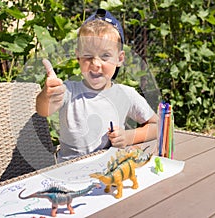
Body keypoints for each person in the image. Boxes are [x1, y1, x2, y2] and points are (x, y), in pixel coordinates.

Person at [36, 9, 158, 163]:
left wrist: (128, 137)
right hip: (70, 173)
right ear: (78, 57)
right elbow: (43, 110)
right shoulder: (68, 91)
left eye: (105, 56)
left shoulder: (126, 94)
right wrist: (47, 94)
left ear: (120, 59)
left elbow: (157, 125)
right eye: (88, 56)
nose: (95, 64)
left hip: (109, 172)